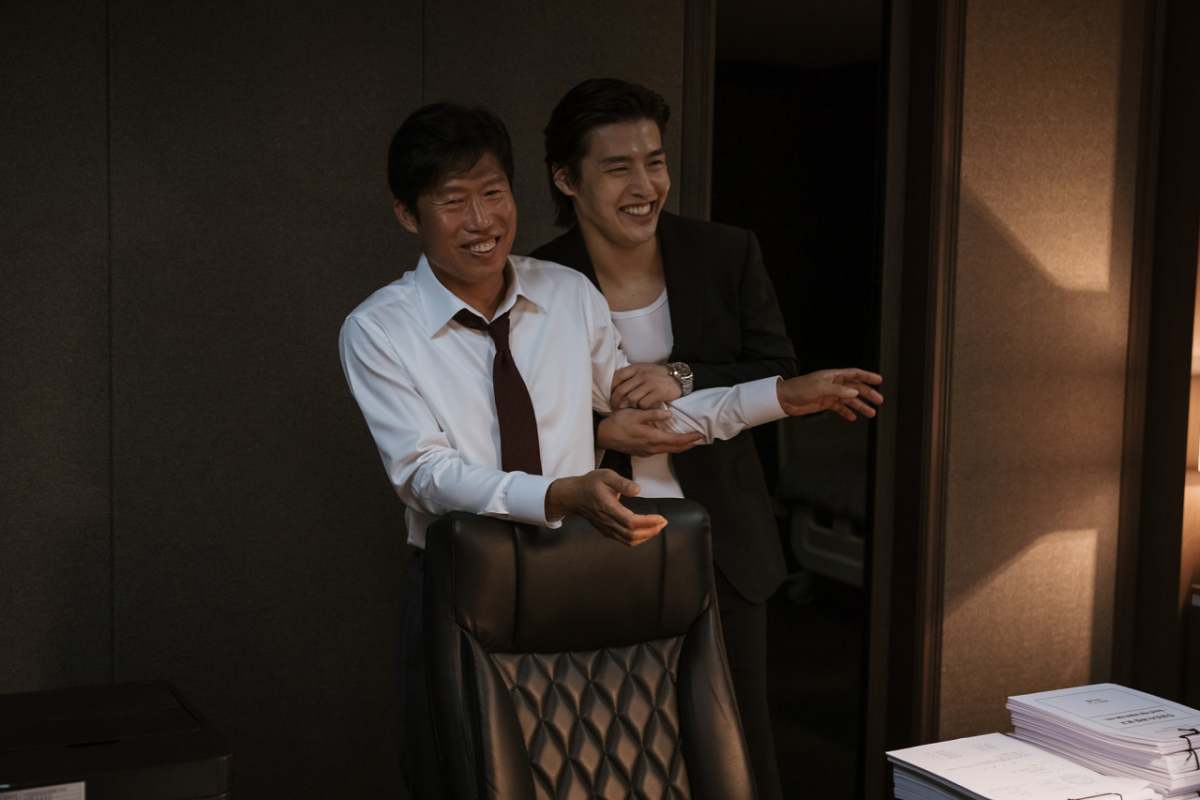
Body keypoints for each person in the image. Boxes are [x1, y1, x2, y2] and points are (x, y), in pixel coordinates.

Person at [338, 101, 883, 796]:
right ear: (408, 215)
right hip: (462, 580)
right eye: (453, 202)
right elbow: (423, 473)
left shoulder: (567, 295)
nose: (481, 220)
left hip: (584, 571)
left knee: (610, 769)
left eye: (493, 193)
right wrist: (558, 494)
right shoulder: (378, 330)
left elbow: (645, 419)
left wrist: (781, 396)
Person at [531, 78, 866, 800]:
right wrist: (602, 429)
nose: (645, 186)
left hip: (723, 544)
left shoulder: (723, 252)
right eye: (617, 168)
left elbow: (776, 369)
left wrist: (680, 375)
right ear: (567, 179)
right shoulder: (537, 279)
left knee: (736, 750)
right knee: (606, 748)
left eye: (654, 161)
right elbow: (519, 422)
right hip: (595, 542)